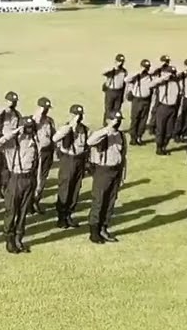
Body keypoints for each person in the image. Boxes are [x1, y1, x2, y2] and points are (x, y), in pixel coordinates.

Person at [0, 117, 39, 254]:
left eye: (31, 128)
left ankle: (19, 238)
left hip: (29, 178)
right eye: (27, 128)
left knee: (23, 211)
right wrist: (14, 133)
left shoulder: (34, 142)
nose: (29, 131)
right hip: (15, 178)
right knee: (11, 211)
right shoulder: (12, 142)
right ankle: (9, 239)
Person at [86, 111, 127, 244]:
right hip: (103, 171)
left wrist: (122, 174)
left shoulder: (121, 135)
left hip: (116, 170)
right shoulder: (101, 134)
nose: (118, 122)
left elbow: (123, 156)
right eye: (115, 120)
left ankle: (104, 228)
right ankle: (94, 231)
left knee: (110, 201)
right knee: (99, 200)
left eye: (119, 120)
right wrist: (108, 128)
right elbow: (90, 141)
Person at [53, 104, 89, 229]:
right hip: (68, 160)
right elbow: (55, 138)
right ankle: (61, 217)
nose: (79, 118)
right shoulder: (65, 128)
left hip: (79, 160)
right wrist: (70, 127)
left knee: (75, 188)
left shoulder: (84, 129)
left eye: (80, 115)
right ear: (72, 115)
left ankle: (69, 214)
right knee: (65, 187)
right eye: (77, 115)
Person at [126, 59, 155, 144]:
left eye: (147, 67)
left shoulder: (150, 77)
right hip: (137, 100)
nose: (146, 69)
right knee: (135, 119)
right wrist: (139, 72)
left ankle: (139, 136)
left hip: (146, 100)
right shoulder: (136, 76)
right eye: (145, 67)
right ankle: (133, 137)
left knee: (143, 119)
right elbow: (127, 79)